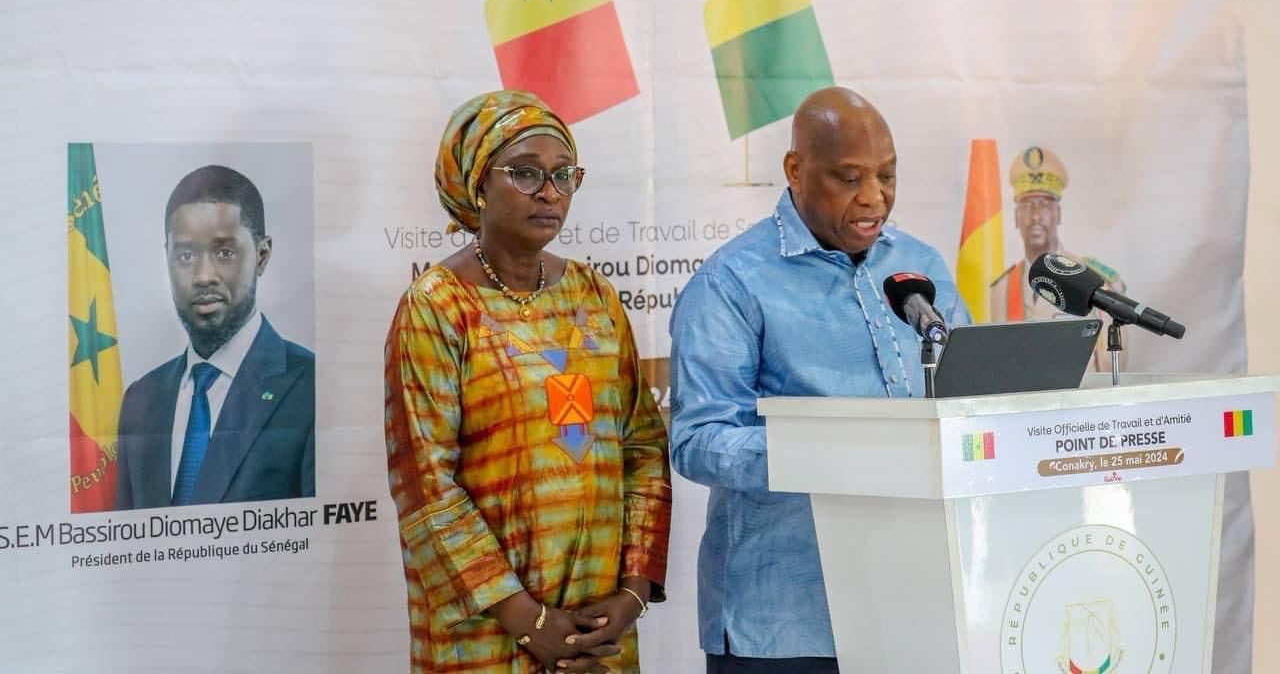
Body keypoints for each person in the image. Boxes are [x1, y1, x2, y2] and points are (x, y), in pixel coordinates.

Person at [668, 87, 969, 673]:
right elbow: (698, 439)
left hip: (913, 602)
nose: (874, 198)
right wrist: (834, 454)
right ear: (795, 169)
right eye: (849, 177)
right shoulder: (733, 282)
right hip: (785, 620)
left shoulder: (922, 268)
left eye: (887, 176)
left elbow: (965, 393)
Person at [384, 90, 671, 674]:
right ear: (477, 184)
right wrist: (526, 620)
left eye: (564, 175)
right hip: (487, 633)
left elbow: (642, 447)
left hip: (598, 630)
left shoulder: (594, 294)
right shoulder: (437, 308)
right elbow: (425, 488)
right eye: (525, 173)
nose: (550, 192)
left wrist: (633, 595)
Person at [114, 165, 315, 510]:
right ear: (167, 259)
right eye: (186, 255)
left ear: (262, 255)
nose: (203, 276)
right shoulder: (140, 399)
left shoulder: (309, 387)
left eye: (224, 253)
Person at [987, 146, 1126, 370]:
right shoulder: (1001, 289)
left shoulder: (1095, 280)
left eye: (1044, 205)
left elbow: (1112, 367)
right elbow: (1000, 363)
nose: (1035, 216)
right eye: (1027, 206)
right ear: (1015, 217)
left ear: (1058, 214)